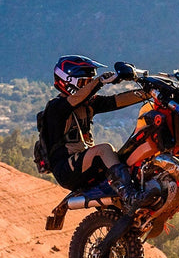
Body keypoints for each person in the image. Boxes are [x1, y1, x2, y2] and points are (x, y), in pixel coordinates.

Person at [43, 54, 147, 203]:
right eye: (84, 82)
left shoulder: (88, 104)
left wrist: (148, 93)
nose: (88, 85)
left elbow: (117, 100)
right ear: (68, 82)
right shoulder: (56, 107)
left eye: (89, 81)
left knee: (126, 154)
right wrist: (100, 81)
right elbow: (74, 99)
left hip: (83, 163)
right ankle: (129, 195)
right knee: (104, 149)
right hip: (66, 170)